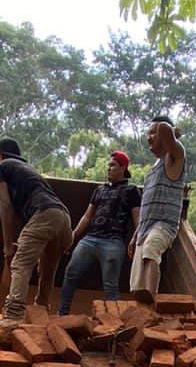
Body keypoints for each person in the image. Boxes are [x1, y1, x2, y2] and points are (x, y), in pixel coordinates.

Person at [0, 138, 72, 325]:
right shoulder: (29, 171)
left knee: (21, 263)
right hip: (64, 219)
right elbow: (31, 222)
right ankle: (42, 311)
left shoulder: (1, 166)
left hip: (46, 214)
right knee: (47, 269)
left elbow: (5, 205)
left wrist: (7, 246)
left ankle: (13, 314)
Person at [58, 150, 142, 315]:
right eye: (108, 165)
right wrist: (73, 236)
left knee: (110, 284)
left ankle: (113, 322)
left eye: (113, 165)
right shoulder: (99, 190)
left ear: (123, 168)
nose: (108, 169)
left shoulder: (132, 191)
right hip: (90, 238)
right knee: (70, 274)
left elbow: (138, 220)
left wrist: (135, 240)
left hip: (114, 242)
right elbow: (87, 217)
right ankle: (62, 314)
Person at [130, 118, 186, 297]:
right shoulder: (151, 172)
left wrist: (172, 133)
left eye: (153, 133)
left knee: (151, 249)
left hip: (163, 225)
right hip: (144, 229)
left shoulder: (174, 158)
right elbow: (146, 209)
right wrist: (134, 236)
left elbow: (164, 128)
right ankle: (142, 316)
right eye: (148, 133)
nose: (149, 137)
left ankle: (151, 300)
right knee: (136, 284)